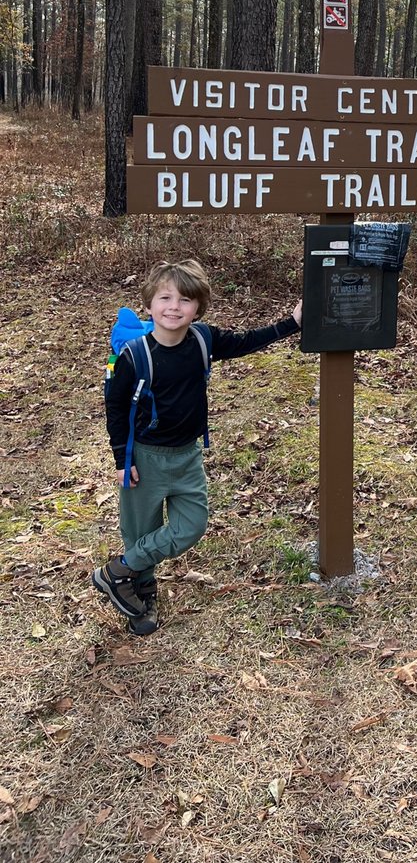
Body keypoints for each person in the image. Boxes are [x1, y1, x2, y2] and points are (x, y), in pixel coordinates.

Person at [94, 258, 302, 636]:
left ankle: (118, 570)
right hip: (144, 456)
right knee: (140, 529)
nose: (174, 307)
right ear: (150, 304)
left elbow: (246, 342)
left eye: (185, 300)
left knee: (191, 526)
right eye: (165, 298)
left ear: (197, 308)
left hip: (187, 455)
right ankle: (141, 593)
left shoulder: (203, 339)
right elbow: (116, 406)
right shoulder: (134, 356)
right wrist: (120, 458)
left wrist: (292, 322)